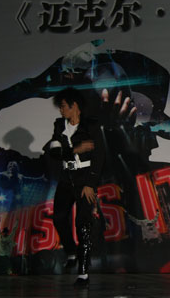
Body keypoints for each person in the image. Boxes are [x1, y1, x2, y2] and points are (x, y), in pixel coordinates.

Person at [45, 87, 105, 287]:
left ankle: (83, 273)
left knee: (83, 224)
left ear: (75, 106)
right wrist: (73, 150)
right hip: (66, 178)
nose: (61, 111)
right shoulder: (58, 126)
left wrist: (90, 184)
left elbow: (99, 156)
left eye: (63, 106)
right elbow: (54, 152)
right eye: (60, 107)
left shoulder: (92, 126)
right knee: (59, 218)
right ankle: (71, 250)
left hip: (84, 179)